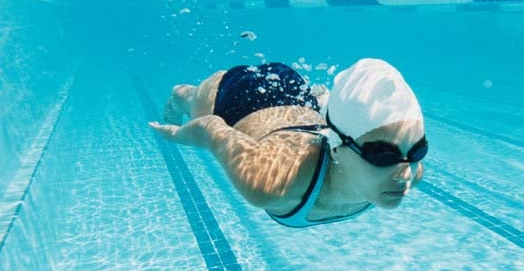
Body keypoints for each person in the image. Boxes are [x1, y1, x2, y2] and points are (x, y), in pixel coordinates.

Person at [149, 59, 427, 228]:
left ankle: (323, 102)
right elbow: (211, 128)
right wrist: (176, 135)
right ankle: (181, 95)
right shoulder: (270, 182)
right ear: (337, 146)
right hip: (240, 99)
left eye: (418, 151)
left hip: (298, 97)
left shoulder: (411, 171)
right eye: (383, 156)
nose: (406, 173)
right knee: (192, 101)